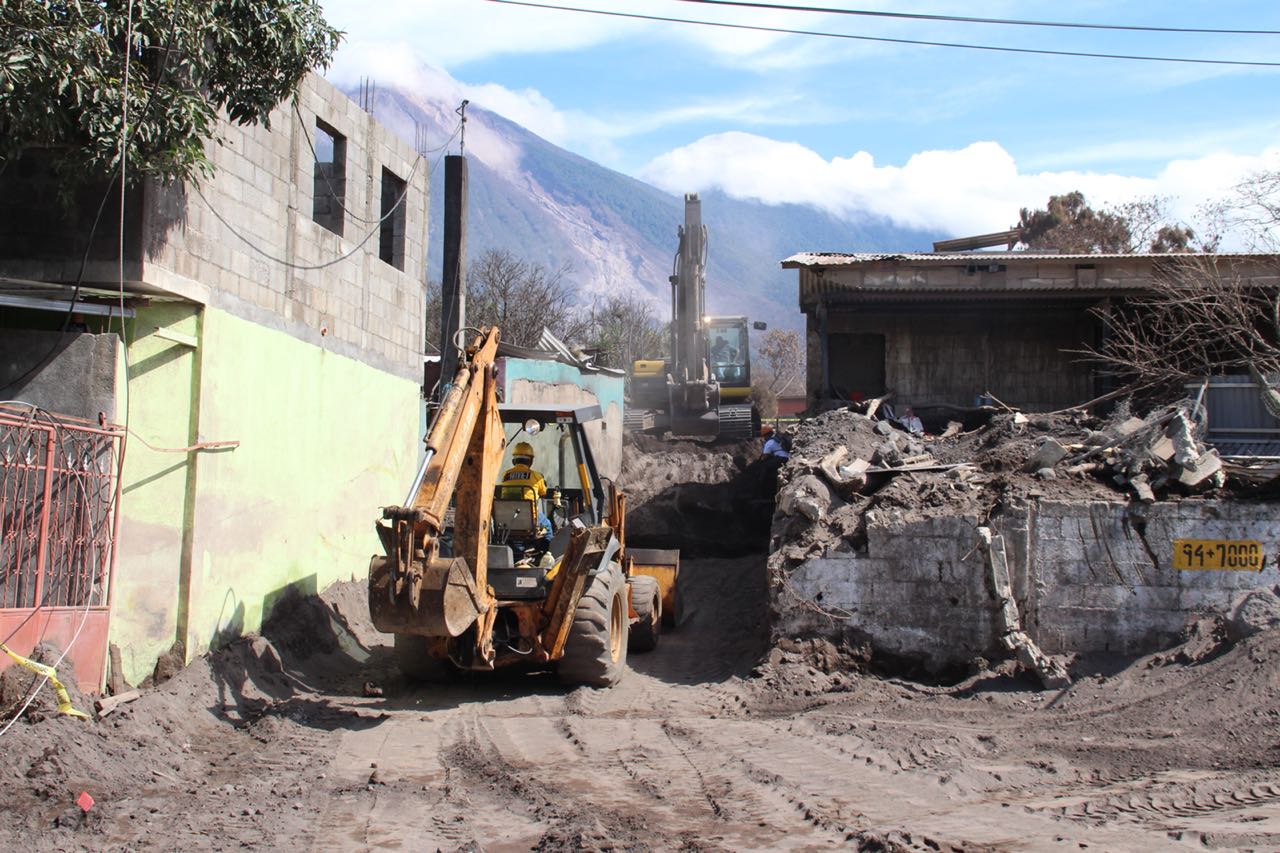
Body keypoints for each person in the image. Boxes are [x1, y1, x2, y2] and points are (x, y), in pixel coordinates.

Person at [500, 441, 552, 553]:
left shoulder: (505, 475)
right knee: (547, 525)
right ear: (531, 461)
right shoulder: (536, 476)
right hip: (530, 520)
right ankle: (546, 554)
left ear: (514, 460)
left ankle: (516, 551)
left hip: (507, 519)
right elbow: (543, 493)